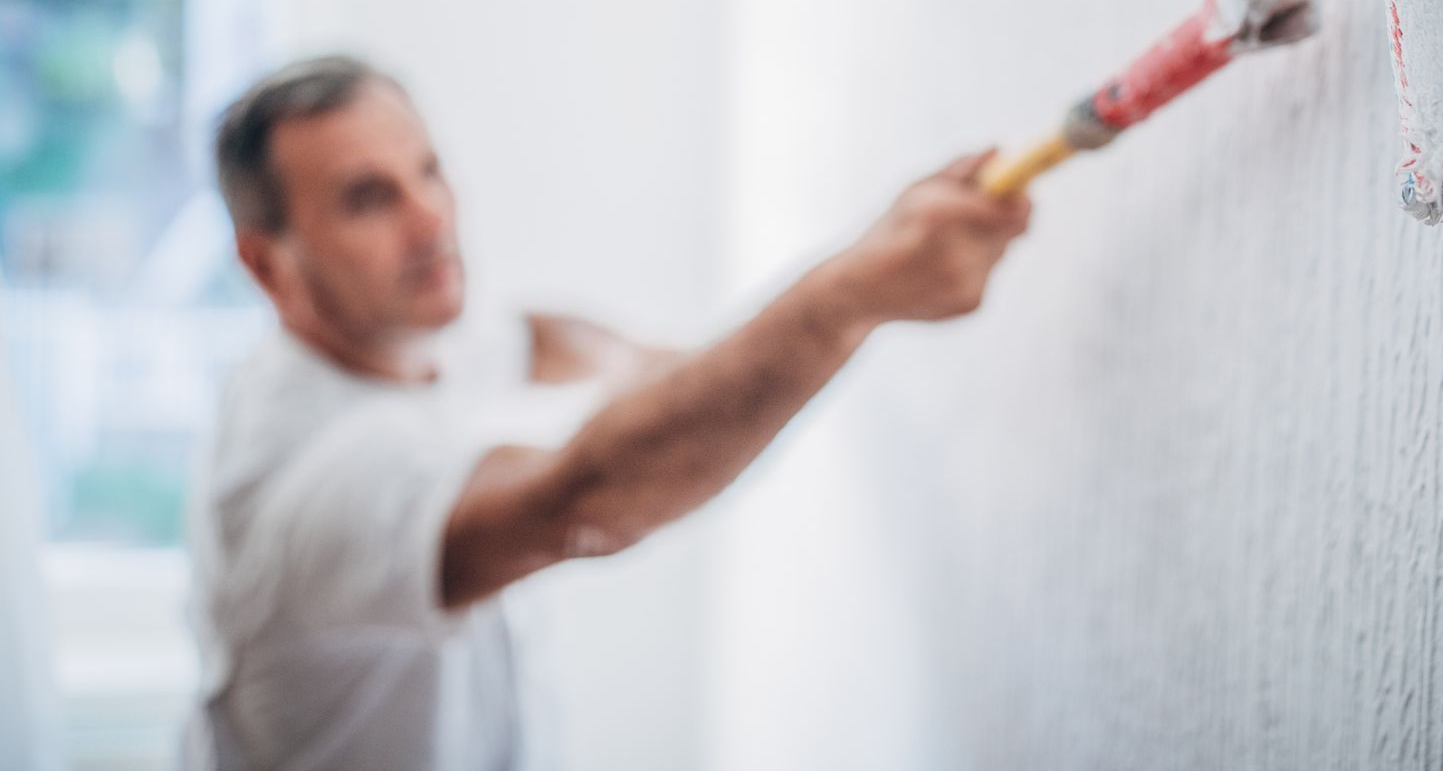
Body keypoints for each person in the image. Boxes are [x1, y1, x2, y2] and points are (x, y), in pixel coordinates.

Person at [182, 56, 1029, 770]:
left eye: (429, 170)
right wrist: (846, 298)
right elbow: (576, 504)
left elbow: (539, 335)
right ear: (266, 266)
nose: (431, 217)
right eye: (369, 198)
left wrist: (680, 367)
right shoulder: (310, 483)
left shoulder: (391, 330)